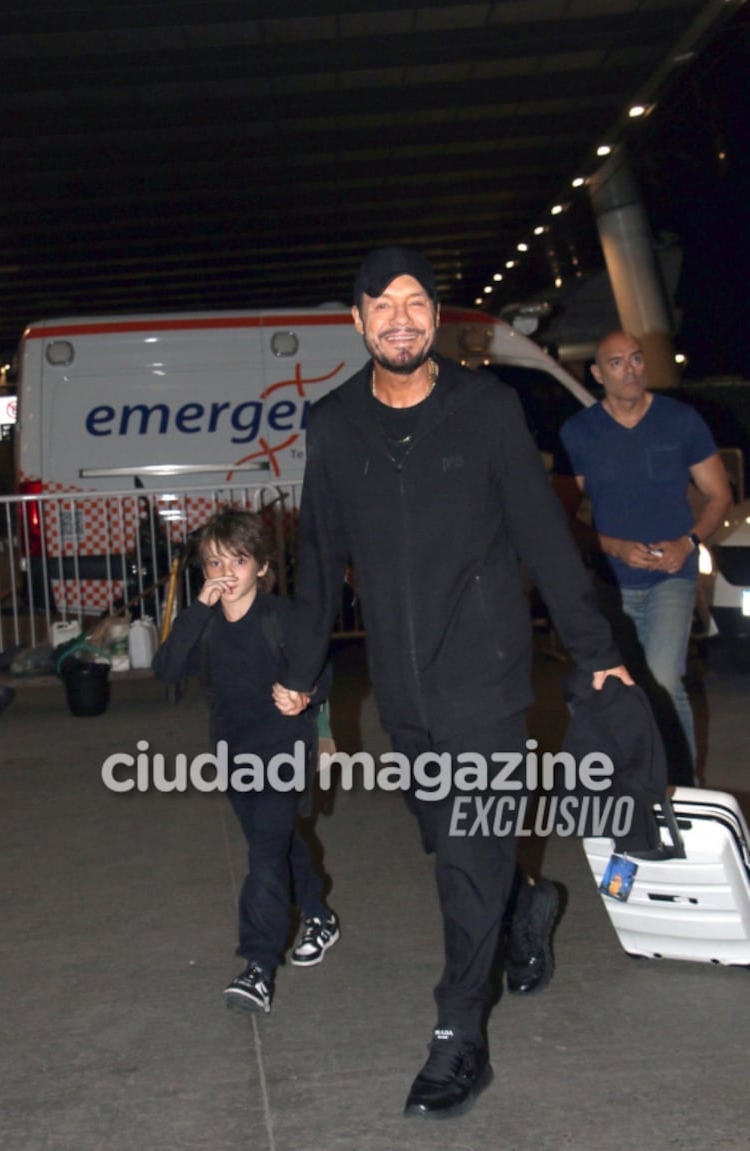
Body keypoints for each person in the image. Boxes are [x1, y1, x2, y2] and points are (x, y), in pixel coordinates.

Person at [272, 246, 631, 1119]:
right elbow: (319, 554)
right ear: (357, 323)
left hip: (485, 675)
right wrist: (298, 667)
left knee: (464, 863)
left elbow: (545, 538)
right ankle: (529, 899)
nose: (401, 316)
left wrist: (593, 648)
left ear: (437, 319)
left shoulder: (487, 411)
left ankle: (456, 1035)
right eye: (382, 304)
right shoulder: (333, 423)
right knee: (449, 840)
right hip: (403, 688)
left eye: (416, 302)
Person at [152, 507, 338, 1016]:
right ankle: (318, 914)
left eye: (238, 560)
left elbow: (322, 668)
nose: (226, 573)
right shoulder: (206, 625)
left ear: (261, 565)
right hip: (235, 756)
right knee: (274, 844)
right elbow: (166, 669)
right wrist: (195, 611)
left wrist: (304, 696)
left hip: (284, 752)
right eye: (214, 563)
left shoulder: (282, 617)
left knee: (262, 859)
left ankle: (257, 966)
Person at [554, 331, 732, 786]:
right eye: (617, 363)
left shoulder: (681, 422)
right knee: (621, 690)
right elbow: (560, 519)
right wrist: (610, 545)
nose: (630, 369)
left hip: (672, 576)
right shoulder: (578, 433)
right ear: (597, 374)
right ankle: (635, 790)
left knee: (663, 681)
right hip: (612, 583)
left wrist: (687, 543)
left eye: (636, 359)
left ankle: (682, 793)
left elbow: (718, 495)